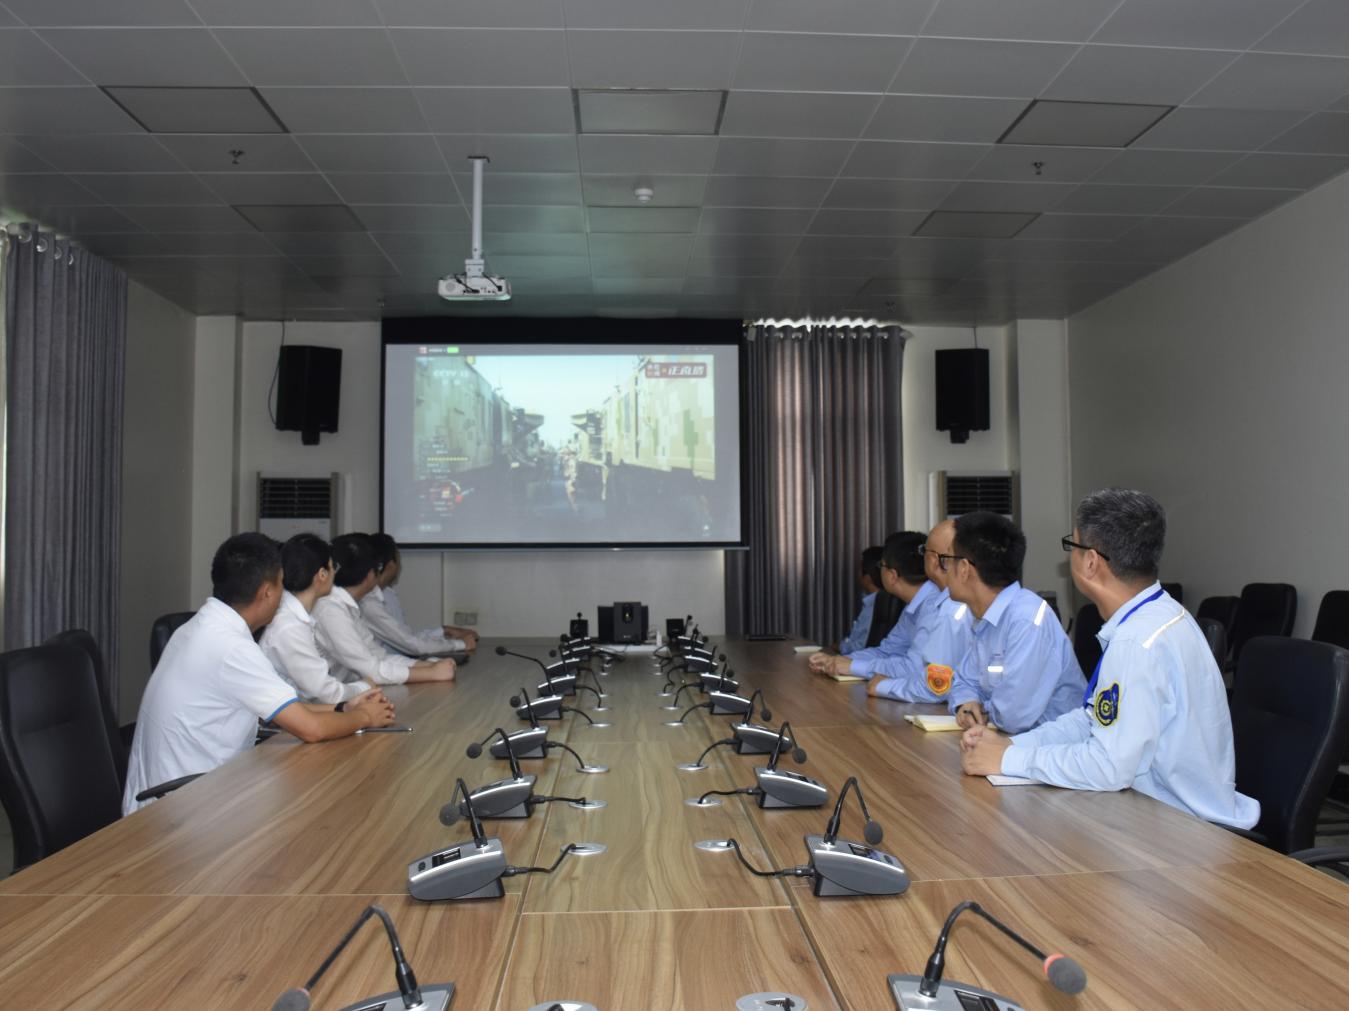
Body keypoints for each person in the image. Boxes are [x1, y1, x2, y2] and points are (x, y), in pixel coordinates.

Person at [960, 489, 1260, 829]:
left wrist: (1009, 759)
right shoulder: (1159, 615)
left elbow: (1108, 766)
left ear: (1090, 562)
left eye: (1071, 545)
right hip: (1152, 811)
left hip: (1179, 829)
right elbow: (1092, 721)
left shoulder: (1137, 642)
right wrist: (1011, 745)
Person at [123, 533, 396, 815]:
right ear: (267, 592)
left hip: (178, 793)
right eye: (281, 585)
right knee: (321, 802)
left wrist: (343, 708)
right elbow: (311, 729)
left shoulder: (200, 626)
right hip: (186, 805)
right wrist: (366, 717)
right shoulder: (232, 648)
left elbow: (285, 709)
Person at [945, 512, 1083, 735]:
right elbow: (963, 681)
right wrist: (966, 703)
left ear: (963, 569)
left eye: (947, 560)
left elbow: (1012, 716)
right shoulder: (986, 616)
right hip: (1010, 742)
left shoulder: (1027, 620)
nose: (944, 570)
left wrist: (981, 709)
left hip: (1049, 747)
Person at [817, 522, 974, 703]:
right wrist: (842, 661)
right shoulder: (916, 605)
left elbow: (920, 672)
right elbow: (889, 651)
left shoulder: (944, 606)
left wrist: (863, 672)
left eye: (925, 551)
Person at [312, 533, 457, 685]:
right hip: (326, 697)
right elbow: (370, 670)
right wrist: (431, 673)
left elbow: (378, 656)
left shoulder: (345, 605)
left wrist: (430, 665)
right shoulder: (330, 610)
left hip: (346, 690)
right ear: (370, 575)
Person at [261, 533, 372, 704]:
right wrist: (365, 687)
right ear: (322, 574)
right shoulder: (289, 625)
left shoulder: (294, 614)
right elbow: (324, 693)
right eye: (332, 566)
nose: (335, 572)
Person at [363, 533, 477, 657]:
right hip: (387, 665)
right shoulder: (368, 603)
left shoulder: (386, 594)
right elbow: (411, 645)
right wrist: (460, 644)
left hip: (394, 662)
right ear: (391, 565)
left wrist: (443, 631)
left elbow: (405, 638)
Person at [837, 546, 884, 655]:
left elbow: (862, 646)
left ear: (867, 577)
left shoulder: (875, 605)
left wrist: (840, 647)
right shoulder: (871, 602)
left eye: (859, 569)